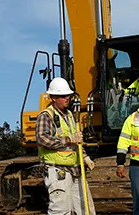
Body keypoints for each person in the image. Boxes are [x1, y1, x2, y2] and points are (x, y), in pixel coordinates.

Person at [36, 77, 96, 215]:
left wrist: (85, 157)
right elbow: (43, 138)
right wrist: (68, 139)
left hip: (75, 169)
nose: (67, 98)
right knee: (61, 211)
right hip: (58, 171)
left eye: (67, 95)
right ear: (53, 98)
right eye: (62, 96)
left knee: (86, 209)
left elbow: (77, 142)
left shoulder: (69, 115)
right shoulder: (46, 116)